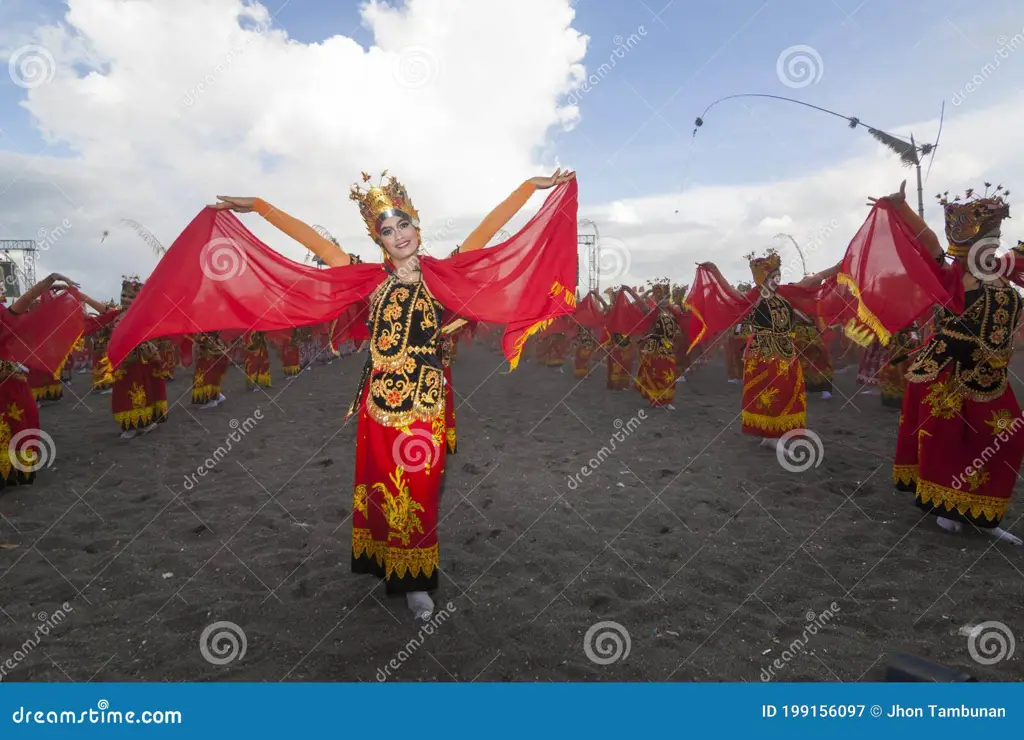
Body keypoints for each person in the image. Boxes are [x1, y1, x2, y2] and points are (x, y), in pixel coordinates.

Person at [209, 168, 575, 618]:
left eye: (404, 225)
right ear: (378, 238)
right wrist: (260, 207)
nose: (398, 235)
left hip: (425, 404)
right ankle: (389, 565)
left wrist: (527, 190)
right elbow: (318, 247)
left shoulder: (443, 275)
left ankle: (417, 582)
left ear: (417, 226)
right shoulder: (368, 280)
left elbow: (487, 233)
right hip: (378, 405)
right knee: (382, 489)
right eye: (387, 230)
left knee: (419, 490)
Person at [874, 180, 1023, 544]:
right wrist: (902, 208)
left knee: (1003, 438)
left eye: (996, 237)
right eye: (987, 237)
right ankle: (947, 509)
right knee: (947, 441)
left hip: (992, 375)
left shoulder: (1003, 273)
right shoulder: (951, 274)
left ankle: (985, 516)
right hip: (948, 372)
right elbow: (930, 243)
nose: (993, 243)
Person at [624, 282, 678, 409]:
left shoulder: (673, 313)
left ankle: (667, 400)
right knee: (657, 374)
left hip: (668, 348)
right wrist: (630, 291)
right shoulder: (654, 313)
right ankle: (656, 400)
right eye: (661, 298)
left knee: (669, 374)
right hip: (656, 348)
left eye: (666, 297)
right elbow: (642, 305)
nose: (664, 300)